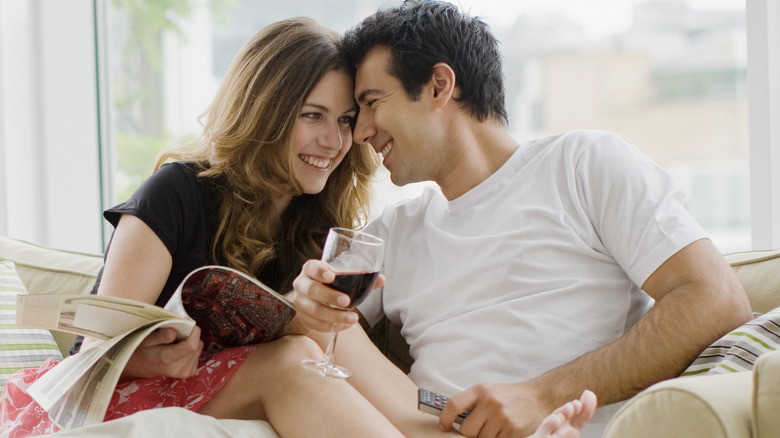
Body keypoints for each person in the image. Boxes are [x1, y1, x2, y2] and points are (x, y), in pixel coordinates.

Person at [0, 15, 594, 438]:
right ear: (266, 111)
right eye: (312, 117)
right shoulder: (178, 192)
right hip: (112, 399)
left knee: (305, 357)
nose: (334, 142)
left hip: (239, 389)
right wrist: (154, 358)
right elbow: (90, 352)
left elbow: (377, 386)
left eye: (344, 120)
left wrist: (492, 426)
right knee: (290, 364)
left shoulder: (321, 234)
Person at [291, 1, 754, 437]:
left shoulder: (582, 165)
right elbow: (297, 325)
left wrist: (541, 395)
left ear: (438, 85)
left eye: (372, 102)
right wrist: (309, 300)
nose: (363, 132)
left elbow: (716, 299)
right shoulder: (396, 228)